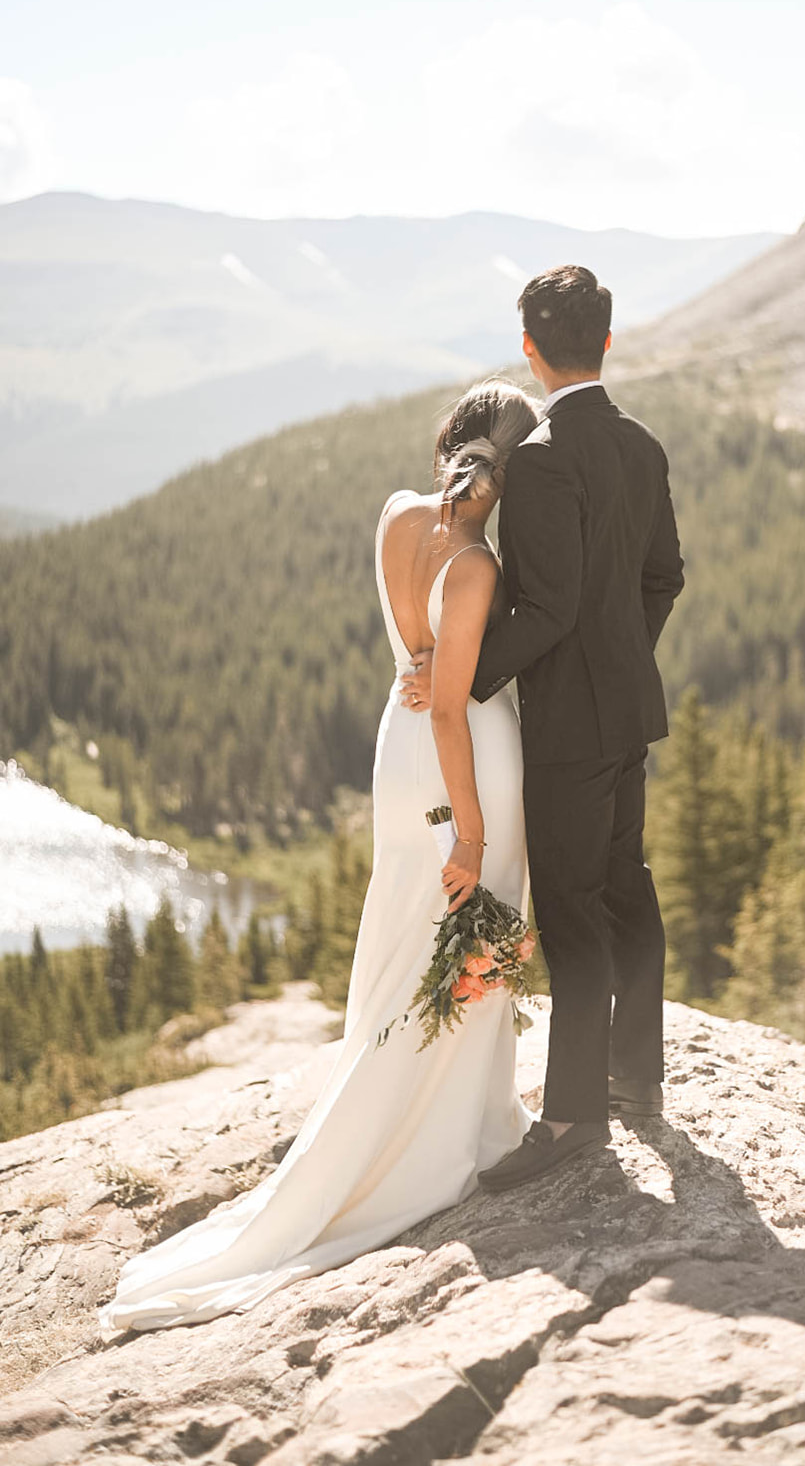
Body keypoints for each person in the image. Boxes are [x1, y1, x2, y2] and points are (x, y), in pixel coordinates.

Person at [99, 380, 540, 1332]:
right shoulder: (477, 567)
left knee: (404, 930)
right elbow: (457, 708)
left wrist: (421, 675)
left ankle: (407, 1090)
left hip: (397, 753)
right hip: (458, 766)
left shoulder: (396, 516)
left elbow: (413, 664)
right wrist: (469, 830)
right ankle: (446, 1127)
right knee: (469, 922)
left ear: (450, 445)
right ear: (509, 475)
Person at [403, 265, 684, 1190]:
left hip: (567, 722)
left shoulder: (543, 456)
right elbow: (662, 577)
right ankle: (637, 1077)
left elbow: (551, 606)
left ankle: (571, 1119)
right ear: (605, 341)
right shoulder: (643, 446)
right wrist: (623, 654)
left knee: (571, 910)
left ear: (530, 347)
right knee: (626, 884)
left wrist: (466, 674)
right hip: (629, 709)